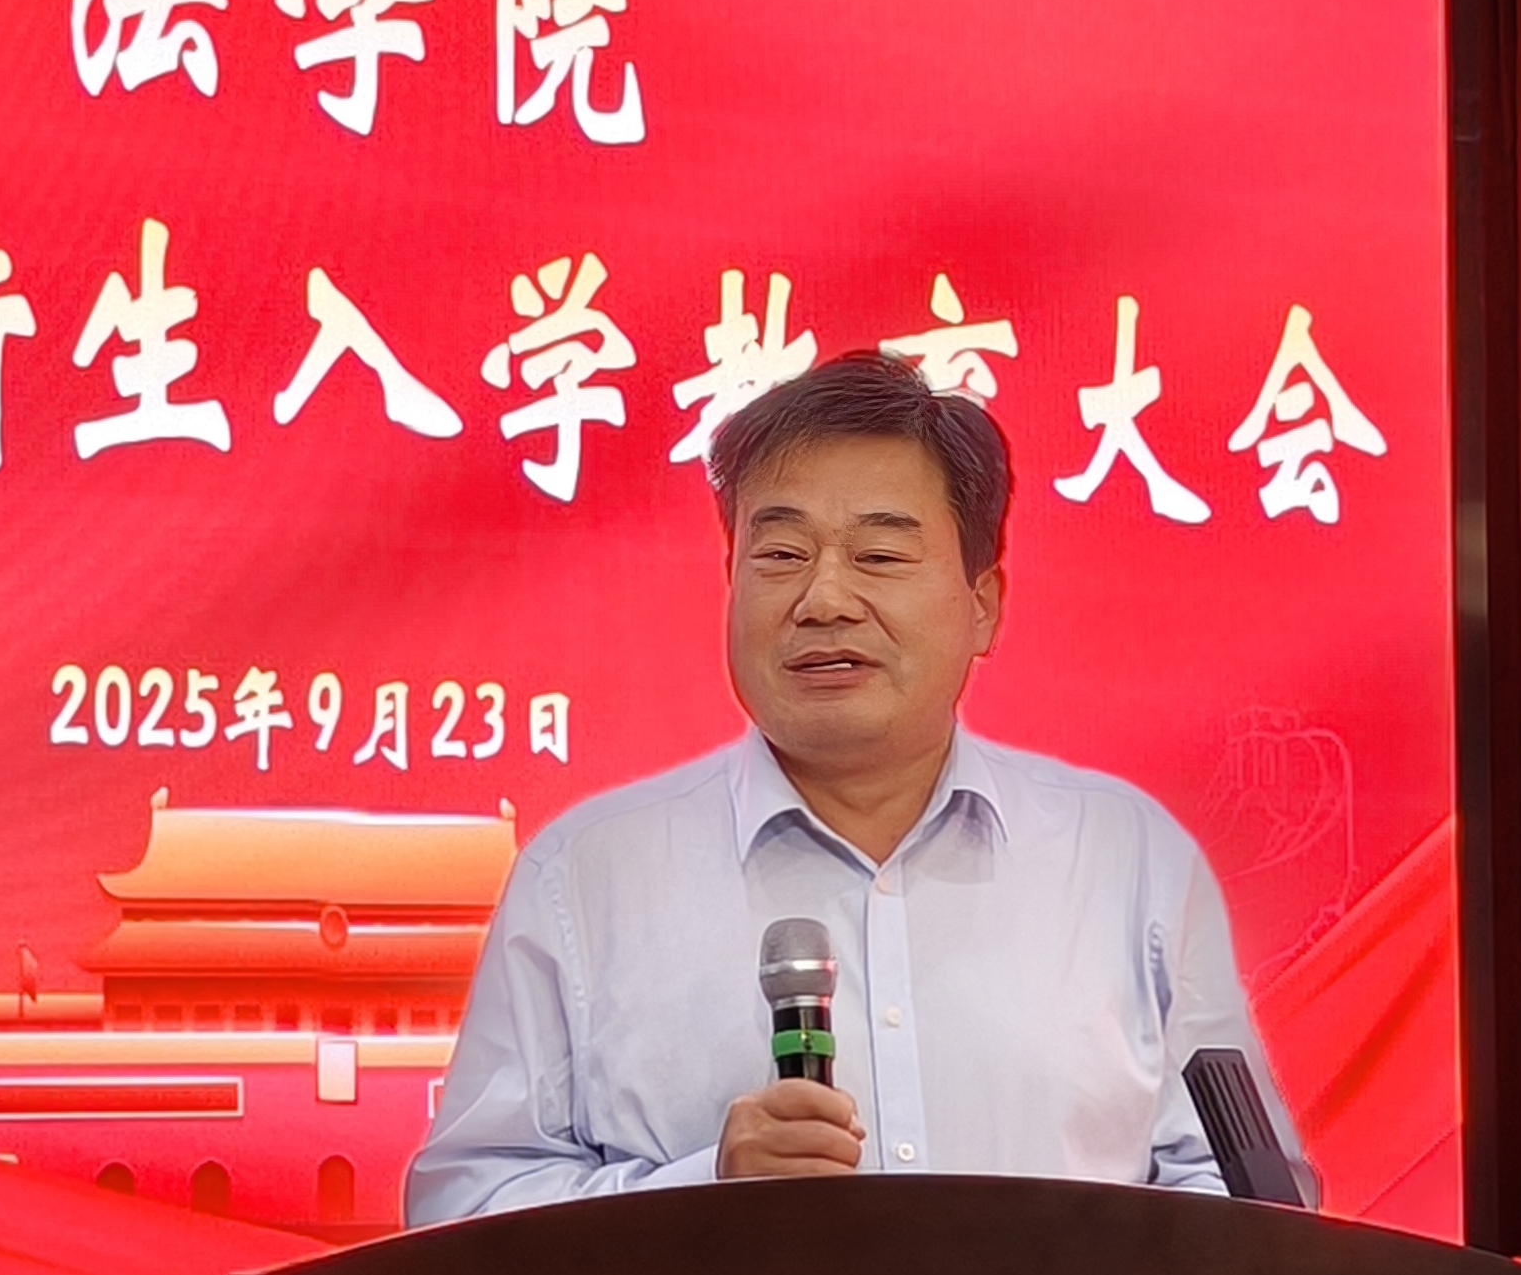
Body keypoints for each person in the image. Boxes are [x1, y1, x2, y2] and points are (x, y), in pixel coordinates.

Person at [403, 347, 1300, 1219]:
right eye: (781, 556)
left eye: (879, 557)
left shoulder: (1126, 862)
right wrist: (699, 1190)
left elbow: (1253, 1205)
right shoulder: (586, 877)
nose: (824, 600)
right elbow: (462, 1211)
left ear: (983, 605)